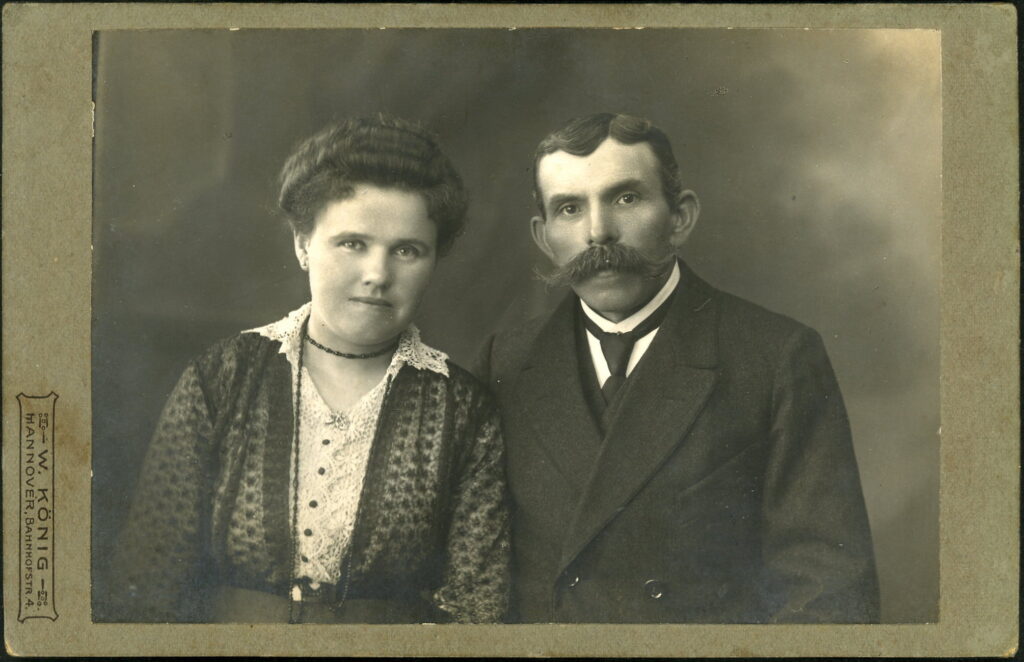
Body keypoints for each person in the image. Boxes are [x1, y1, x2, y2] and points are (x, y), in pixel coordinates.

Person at [476, 112, 879, 623]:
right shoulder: (505, 361)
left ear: (680, 217)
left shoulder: (775, 356)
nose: (598, 232)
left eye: (626, 198)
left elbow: (828, 592)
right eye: (570, 208)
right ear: (543, 236)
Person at [112, 116, 510, 624]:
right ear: (303, 244)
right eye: (352, 243)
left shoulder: (462, 410)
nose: (377, 275)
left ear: (433, 261)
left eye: (407, 251)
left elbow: (480, 606)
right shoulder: (225, 378)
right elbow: (147, 581)